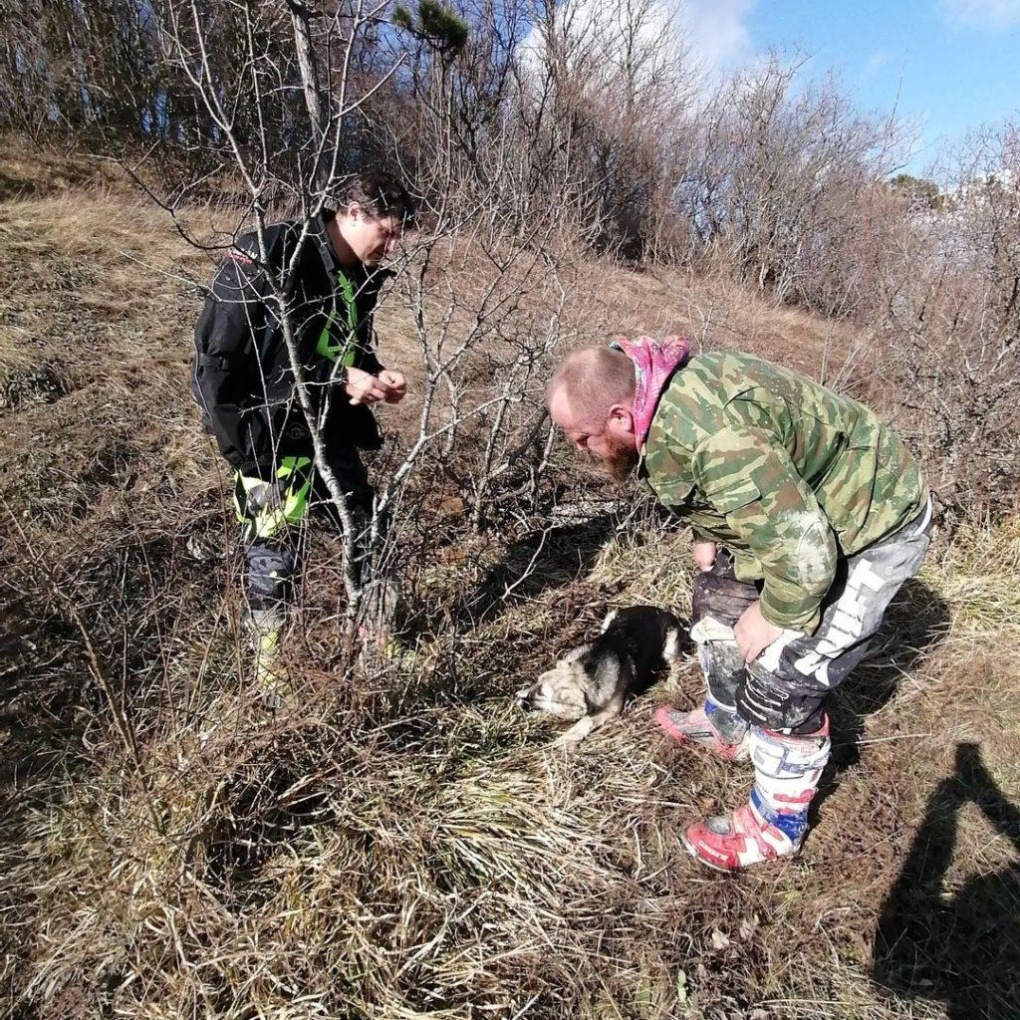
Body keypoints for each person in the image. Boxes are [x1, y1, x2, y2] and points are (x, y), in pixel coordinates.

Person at [546, 337, 932, 871]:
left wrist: (774, 614)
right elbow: (724, 482)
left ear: (618, 414)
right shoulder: (655, 401)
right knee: (714, 599)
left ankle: (776, 825)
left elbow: (805, 552)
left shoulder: (713, 435)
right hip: (805, 515)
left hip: (871, 519)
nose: (580, 450)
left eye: (583, 438)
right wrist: (706, 528)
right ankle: (729, 723)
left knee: (785, 673)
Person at [190, 171, 416, 691]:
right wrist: (242, 449)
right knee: (274, 562)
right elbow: (221, 358)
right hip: (267, 438)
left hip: (328, 435)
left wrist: (375, 376)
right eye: (389, 231)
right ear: (352, 213)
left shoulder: (352, 276)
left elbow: (340, 350)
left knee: (370, 532)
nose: (393, 244)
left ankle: (380, 647)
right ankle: (272, 684)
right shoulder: (273, 254)